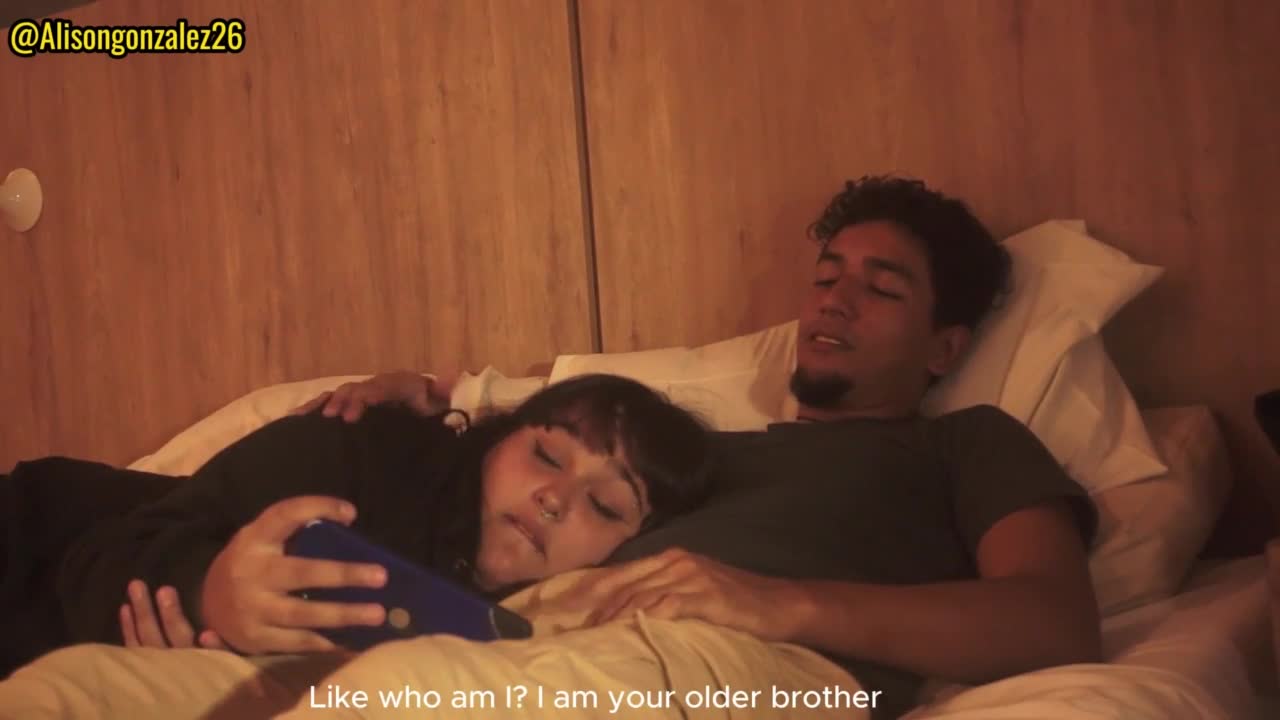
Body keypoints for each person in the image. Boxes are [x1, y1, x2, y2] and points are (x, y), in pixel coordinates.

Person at [273, 175, 1103, 719]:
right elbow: (553, 441)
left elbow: (1055, 622)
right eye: (825, 278)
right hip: (541, 633)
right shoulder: (697, 454)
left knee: (395, 695)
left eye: (880, 289)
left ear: (945, 349)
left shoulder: (964, 444)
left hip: (753, 663)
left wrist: (783, 604)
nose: (836, 302)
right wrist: (433, 397)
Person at [0, 373, 714, 674]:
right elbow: (111, 548)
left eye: (605, 505)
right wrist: (208, 591)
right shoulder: (359, 446)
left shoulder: (541, 630)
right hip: (30, 542)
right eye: (546, 455)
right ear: (496, 441)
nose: (555, 497)